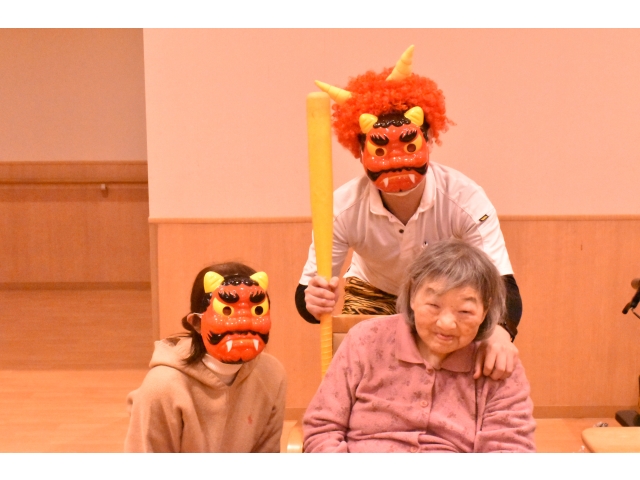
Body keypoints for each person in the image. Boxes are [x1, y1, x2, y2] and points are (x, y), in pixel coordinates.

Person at [296, 45, 521, 380]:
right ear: (359, 151)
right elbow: (307, 294)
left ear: (427, 140)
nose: (397, 160)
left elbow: (503, 284)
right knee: (366, 372)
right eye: (380, 149)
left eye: (409, 145)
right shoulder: (342, 208)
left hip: (444, 298)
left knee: (456, 370)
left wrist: (501, 332)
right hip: (372, 291)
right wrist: (314, 302)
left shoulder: (464, 198)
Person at [302, 239, 535, 453]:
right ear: (413, 295)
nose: (446, 323)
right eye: (434, 305)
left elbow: (511, 450)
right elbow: (322, 429)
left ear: (485, 309)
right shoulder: (365, 340)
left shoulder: (498, 363)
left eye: (464, 311)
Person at [125, 262, 287, 453]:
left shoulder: (271, 374)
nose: (243, 323)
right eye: (226, 311)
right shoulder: (163, 386)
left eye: (257, 311)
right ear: (196, 322)